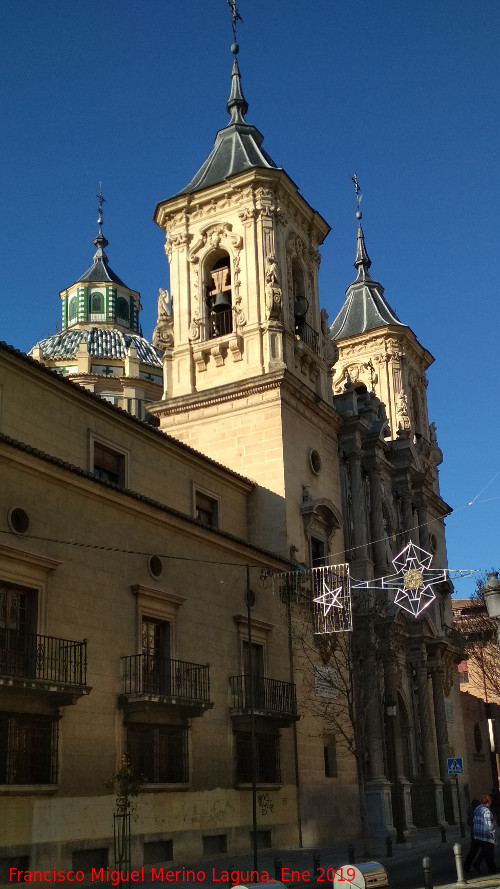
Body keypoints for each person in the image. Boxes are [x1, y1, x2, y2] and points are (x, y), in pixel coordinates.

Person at [464, 794, 497, 875]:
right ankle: (490, 868)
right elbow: (489, 825)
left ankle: (468, 866)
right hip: (484, 834)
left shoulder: (477, 809)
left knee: (477, 851)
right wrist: (493, 836)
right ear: (489, 802)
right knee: (489, 849)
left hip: (476, 833)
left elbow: (472, 821)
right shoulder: (486, 811)